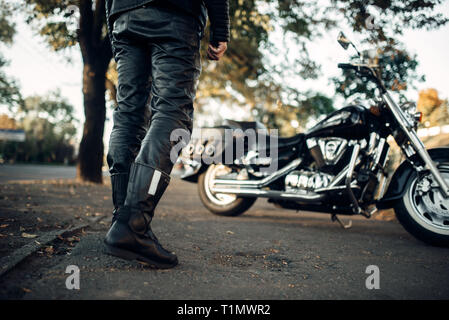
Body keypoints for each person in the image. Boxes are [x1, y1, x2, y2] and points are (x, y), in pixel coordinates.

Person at [104, 0, 229, 269]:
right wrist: (221, 30)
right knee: (173, 114)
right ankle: (133, 224)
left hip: (122, 16)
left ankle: (122, 219)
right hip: (173, 13)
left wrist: (113, 20)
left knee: (128, 113)